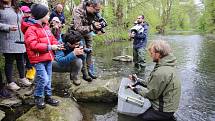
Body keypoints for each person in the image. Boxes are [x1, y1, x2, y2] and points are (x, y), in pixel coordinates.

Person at [128, 40, 181, 121]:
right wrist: (138, 80)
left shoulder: (161, 72)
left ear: (158, 54)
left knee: (139, 118)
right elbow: (154, 84)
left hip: (163, 110)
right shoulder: (168, 65)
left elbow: (151, 94)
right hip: (170, 106)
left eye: (152, 53)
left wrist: (136, 89)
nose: (150, 55)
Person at [24, 4, 62, 109]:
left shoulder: (46, 27)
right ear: (41, 15)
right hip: (38, 60)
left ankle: (48, 96)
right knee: (43, 79)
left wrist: (58, 45)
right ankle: (38, 97)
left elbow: (52, 39)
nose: (49, 16)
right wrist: (50, 47)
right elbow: (33, 45)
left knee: (48, 79)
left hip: (48, 58)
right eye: (47, 14)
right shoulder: (30, 29)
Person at [0, 0, 32, 91]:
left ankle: (22, 78)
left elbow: (21, 21)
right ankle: (10, 82)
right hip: (7, 39)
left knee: (21, 59)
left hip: (20, 38)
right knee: (9, 60)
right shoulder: (1, 8)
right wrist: (8, 27)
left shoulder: (17, 7)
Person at [69, 0, 103, 81]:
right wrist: (92, 27)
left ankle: (90, 71)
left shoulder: (94, 12)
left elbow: (96, 22)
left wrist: (98, 29)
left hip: (88, 31)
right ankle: (85, 74)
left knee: (90, 51)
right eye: (97, 10)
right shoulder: (78, 10)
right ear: (91, 6)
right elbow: (78, 28)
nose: (98, 12)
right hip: (77, 33)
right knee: (83, 53)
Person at [20, 5, 36, 80]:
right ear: (22, 12)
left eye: (29, 12)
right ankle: (26, 74)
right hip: (22, 42)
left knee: (29, 58)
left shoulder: (30, 19)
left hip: (28, 42)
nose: (28, 14)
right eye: (27, 12)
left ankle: (29, 74)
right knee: (23, 59)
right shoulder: (22, 20)